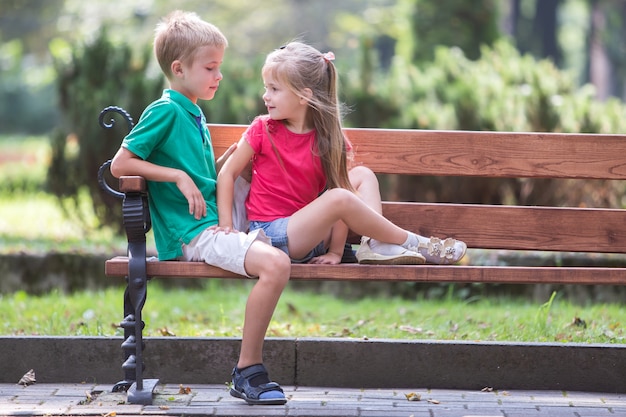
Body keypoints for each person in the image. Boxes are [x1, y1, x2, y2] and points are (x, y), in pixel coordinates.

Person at [110, 10, 289, 406]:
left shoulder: (192, 112)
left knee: (264, 165)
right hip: (194, 233)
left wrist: (236, 157)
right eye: (210, 67)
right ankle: (248, 372)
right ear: (179, 68)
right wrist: (175, 175)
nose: (218, 75)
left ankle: (329, 238)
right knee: (276, 264)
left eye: (219, 67)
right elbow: (121, 163)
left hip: (211, 219)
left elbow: (209, 178)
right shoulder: (166, 110)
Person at [217, 41, 467, 266]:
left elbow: (342, 191)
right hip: (271, 235)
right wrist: (227, 230)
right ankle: (417, 243)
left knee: (362, 175)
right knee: (339, 197)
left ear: (304, 96)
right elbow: (227, 173)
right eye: (266, 87)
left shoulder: (328, 138)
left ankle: (374, 244)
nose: (265, 96)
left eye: (274, 89)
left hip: (313, 238)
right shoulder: (263, 129)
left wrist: (336, 252)